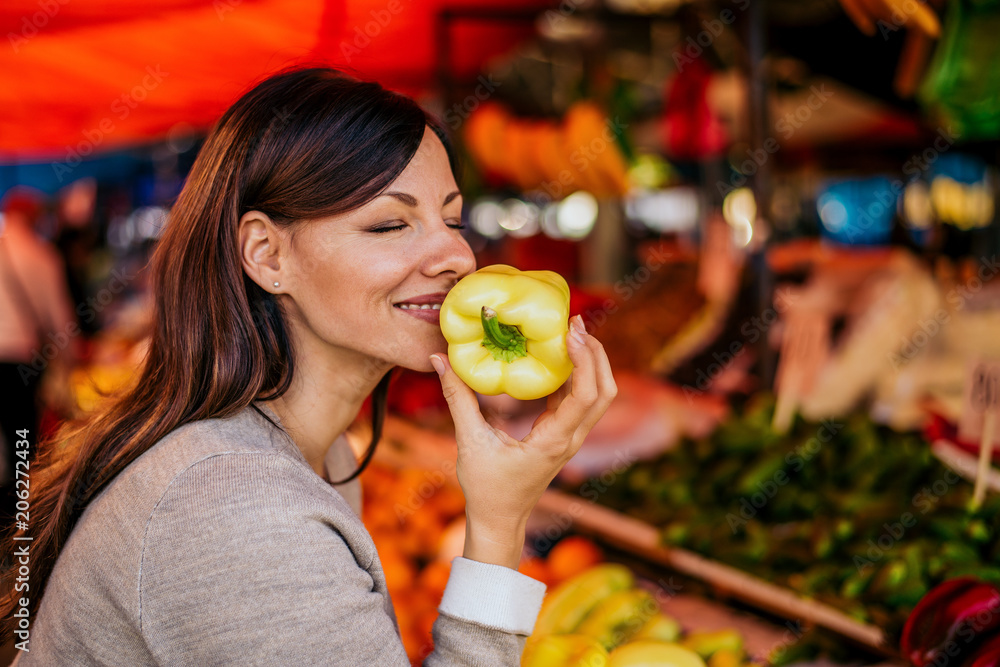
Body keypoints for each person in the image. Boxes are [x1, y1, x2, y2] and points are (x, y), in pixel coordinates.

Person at [0, 67, 616, 665]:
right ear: (267, 255)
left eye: (453, 218)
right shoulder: (234, 508)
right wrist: (501, 521)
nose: (456, 254)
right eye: (391, 223)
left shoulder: (322, 454)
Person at [0, 187, 81, 527]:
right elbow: (60, 319)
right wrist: (72, 358)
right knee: (23, 441)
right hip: (20, 362)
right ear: (34, 215)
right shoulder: (41, 254)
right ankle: (20, 520)